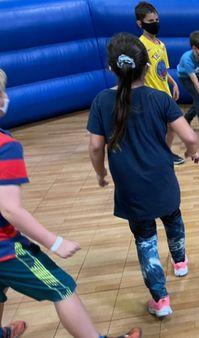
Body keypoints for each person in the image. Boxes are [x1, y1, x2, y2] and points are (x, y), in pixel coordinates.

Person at [0, 69, 141, 338]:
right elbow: (9, 209)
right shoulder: (5, 147)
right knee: (62, 288)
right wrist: (54, 241)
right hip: (4, 247)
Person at [87, 33, 199, 318]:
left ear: (110, 67)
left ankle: (161, 300)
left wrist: (101, 174)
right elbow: (190, 135)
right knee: (173, 218)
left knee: (145, 239)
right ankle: (180, 262)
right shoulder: (159, 98)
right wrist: (191, 152)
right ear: (147, 67)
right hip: (162, 180)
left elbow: (95, 147)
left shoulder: (101, 101)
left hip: (130, 189)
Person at [135, 1, 185, 164]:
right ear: (140, 23)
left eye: (157, 20)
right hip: (151, 96)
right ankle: (155, 158)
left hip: (165, 94)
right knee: (159, 129)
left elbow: (163, 69)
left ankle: (165, 153)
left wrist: (174, 83)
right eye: (151, 21)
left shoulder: (161, 45)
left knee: (171, 127)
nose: (155, 24)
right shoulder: (139, 46)